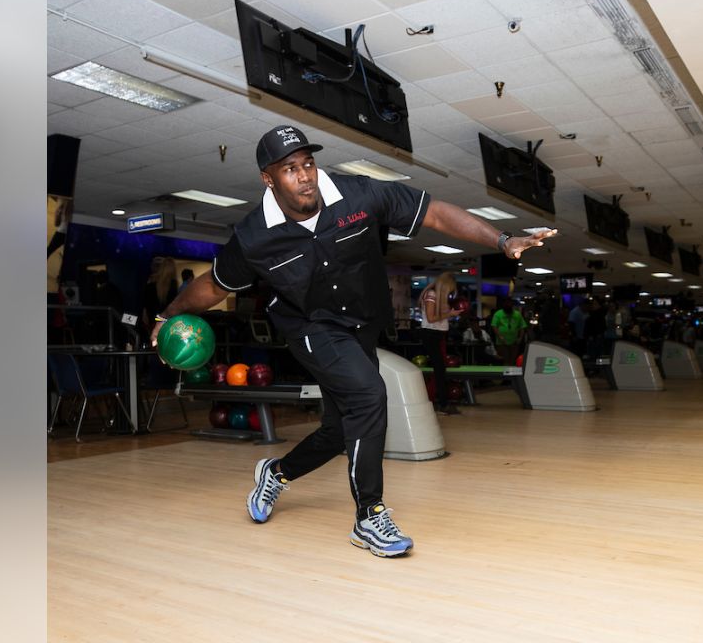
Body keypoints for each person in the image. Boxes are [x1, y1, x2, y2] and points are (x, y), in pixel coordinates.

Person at [151, 124, 557, 558]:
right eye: (290, 168)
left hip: (362, 322)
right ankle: (369, 516)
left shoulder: (359, 195)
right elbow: (214, 287)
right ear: (268, 179)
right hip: (309, 327)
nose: (305, 175)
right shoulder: (254, 237)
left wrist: (501, 239)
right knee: (368, 395)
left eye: (308, 163)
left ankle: (276, 474)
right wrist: (167, 313)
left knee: (341, 429)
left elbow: (434, 212)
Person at [418, 273, 464, 415]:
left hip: (438, 335)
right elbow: (431, 319)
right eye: (450, 288)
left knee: (440, 369)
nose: (451, 291)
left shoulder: (439, 297)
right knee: (439, 369)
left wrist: (450, 313)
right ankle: (441, 404)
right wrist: (450, 315)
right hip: (431, 334)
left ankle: (436, 401)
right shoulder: (431, 294)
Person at [490, 298, 528, 366]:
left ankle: (511, 375)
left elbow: (522, 326)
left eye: (510, 304)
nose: (508, 305)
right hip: (502, 342)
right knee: (505, 360)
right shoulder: (498, 314)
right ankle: (505, 375)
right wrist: (500, 336)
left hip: (514, 342)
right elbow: (494, 326)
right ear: (504, 305)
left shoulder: (517, 314)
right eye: (507, 303)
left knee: (513, 361)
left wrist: (520, 338)